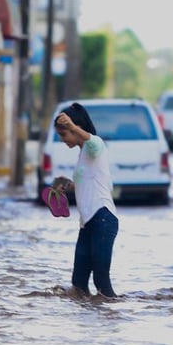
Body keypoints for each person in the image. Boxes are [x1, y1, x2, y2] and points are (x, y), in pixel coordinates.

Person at [52, 102, 119, 299]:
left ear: (77, 128)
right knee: (78, 284)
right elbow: (87, 183)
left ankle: (112, 319)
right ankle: (83, 322)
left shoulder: (95, 145)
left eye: (64, 134)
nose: (62, 139)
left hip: (103, 219)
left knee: (101, 283)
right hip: (88, 223)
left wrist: (72, 127)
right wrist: (67, 185)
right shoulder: (83, 153)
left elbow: (92, 141)